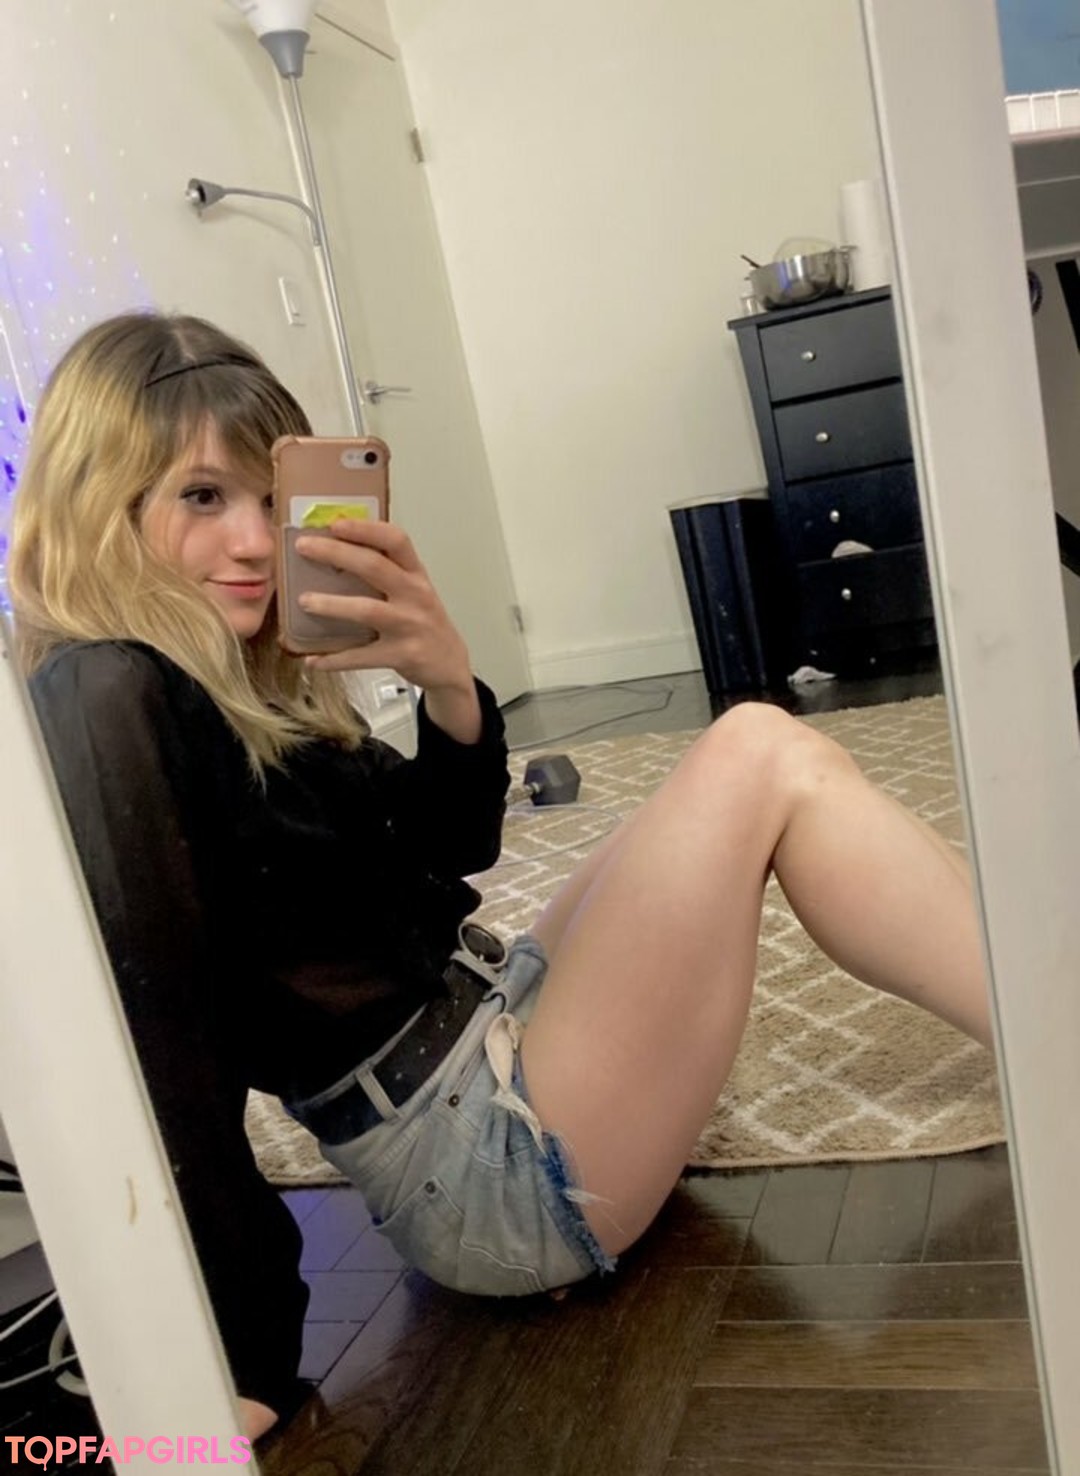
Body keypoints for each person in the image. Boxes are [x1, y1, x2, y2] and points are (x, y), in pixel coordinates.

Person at [7, 311, 992, 1440]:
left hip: (486, 1029)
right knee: (759, 752)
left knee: (742, 775)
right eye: (200, 496)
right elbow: (161, 1046)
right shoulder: (108, 693)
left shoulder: (233, 682)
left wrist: (446, 684)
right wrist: (236, 1357)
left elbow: (452, 848)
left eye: (271, 501)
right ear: (96, 501)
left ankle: (1035, 990)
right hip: (482, 1164)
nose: (252, 542)